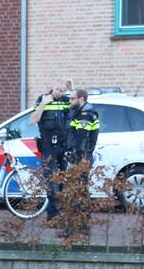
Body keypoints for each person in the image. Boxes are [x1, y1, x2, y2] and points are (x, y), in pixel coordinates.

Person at [30, 80, 72, 220]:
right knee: (50, 179)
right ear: (52, 87)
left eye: (62, 91)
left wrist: (72, 90)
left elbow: (78, 107)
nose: (59, 92)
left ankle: (59, 214)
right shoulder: (43, 99)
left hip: (63, 144)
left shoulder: (67, 100)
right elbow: (33, 120)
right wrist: (43, 104)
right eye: (57, 89)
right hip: (48, 145)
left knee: (61, 180)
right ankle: (52, 216)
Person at [64, 89, 100, 237]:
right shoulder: (80, 112)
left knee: (77, 193)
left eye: (73, 99)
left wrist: (75, 158)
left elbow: (82, 139)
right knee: (80, 192)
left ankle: (76, 229)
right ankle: (80, 228)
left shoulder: (86, 115)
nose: (70, 102)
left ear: (82, 98)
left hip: (81, 157)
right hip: (81, 157)